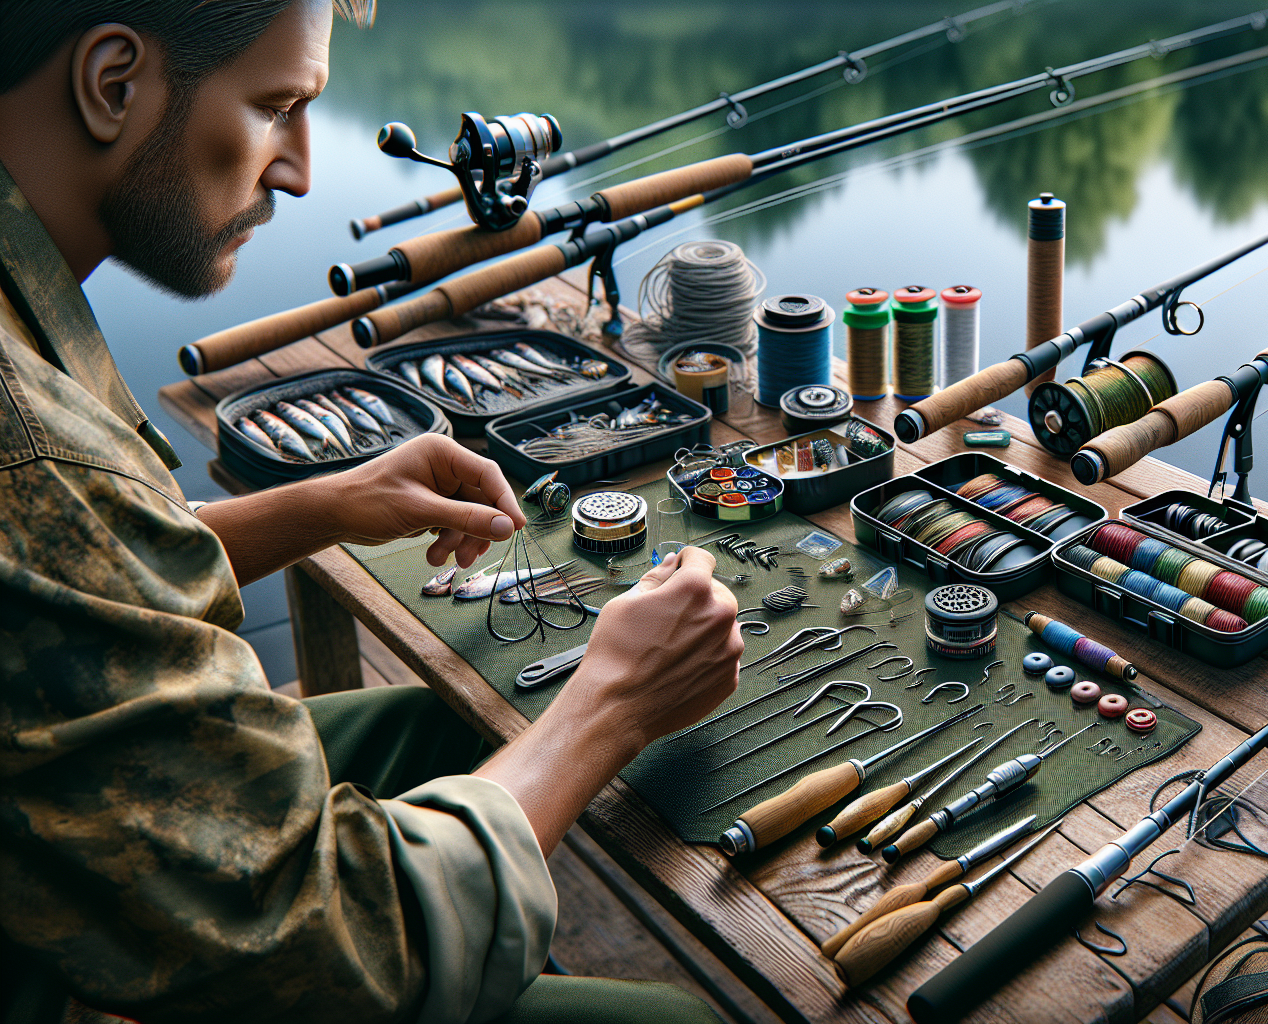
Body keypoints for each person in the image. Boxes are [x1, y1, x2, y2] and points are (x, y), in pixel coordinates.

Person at [0, 2, 744, 1022]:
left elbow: (70, 581)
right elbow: (340, 942)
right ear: (113, 81)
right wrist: (608, 704)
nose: (299, 170)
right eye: (274, 109)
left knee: (440, 721)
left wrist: (330, 503)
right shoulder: (27, 443)